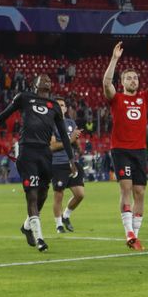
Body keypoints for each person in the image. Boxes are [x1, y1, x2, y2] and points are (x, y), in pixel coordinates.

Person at [0, 74, 76, 252]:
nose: (48, 80)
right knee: (32, 195)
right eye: (43, 78)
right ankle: (39, 238)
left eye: (50, 79)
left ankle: (27, 226)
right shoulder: (24, 98)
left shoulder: (55, 106)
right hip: (27, 152)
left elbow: (64, 135)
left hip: (45, 153)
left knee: (42, 194)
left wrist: (71, 159)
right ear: (34, 84)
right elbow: (4, 115)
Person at [103, 40, 148, 250]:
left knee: (140, 192)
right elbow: (106, 84)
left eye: (135, 78)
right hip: (120, 149)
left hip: (139, 150)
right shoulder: (116, 98)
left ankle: (134, 235)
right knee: (126, 188)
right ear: (122, 82)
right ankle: (128, 232)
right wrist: (114, 59)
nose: (133, 80)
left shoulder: (144, 98)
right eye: (128, 78)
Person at [50, 97, 84, 234]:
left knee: (80, 194)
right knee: (59, 195)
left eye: (63, 105)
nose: (61, 107)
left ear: (65, 108)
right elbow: (52, 146)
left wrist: (76, 141)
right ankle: (58, 225)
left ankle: (66, 215)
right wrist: (70, 140)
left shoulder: (70, 122)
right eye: (58, 105)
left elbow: (78, 147)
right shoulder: (50, 124)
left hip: (72, 163)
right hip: (57, 163)